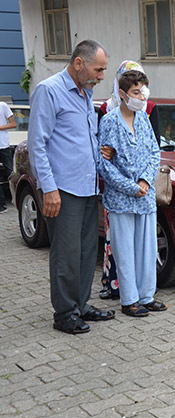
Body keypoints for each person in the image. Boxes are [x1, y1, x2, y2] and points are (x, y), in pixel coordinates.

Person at [27, 39, 115, 334]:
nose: (101, 76)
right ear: (79, 63)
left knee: (87, 251)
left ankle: (81, 304)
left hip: (88, 186)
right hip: (62, 189)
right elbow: (37, 144)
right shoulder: (49, 91)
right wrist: (49, 188)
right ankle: (64, 312)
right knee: (65, 252)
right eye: (98, 69)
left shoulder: (85, 93)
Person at [97, 69, 167, 317]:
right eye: (136, 92)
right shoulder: (109, 121)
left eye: (143, 92)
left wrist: (145, 181)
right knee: (124, 250)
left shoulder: (144, 119)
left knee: (147, 249)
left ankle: (147, 296)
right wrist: (131, 187)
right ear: (123, 94)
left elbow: (154, 153)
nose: (140, 96)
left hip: (145, 197)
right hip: (121, 199)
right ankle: (129, 300)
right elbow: (104, 164)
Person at [0, 100, 17, 214]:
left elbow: (13, 124)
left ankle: (17, 199)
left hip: (3, 145)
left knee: (11, 173)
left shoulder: (3, 105)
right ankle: (2, 205)